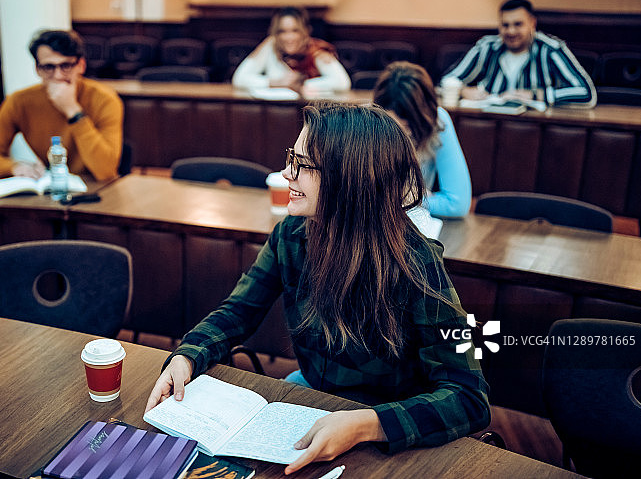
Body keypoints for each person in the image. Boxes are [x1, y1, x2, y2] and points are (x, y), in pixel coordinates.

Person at [145, 102, 490, 474]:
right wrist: (187, 355)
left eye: (302, 165)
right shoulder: (290, 234)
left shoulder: (416, 262)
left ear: (349, 179)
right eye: (291, 158)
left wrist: (367, 424)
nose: (285, 174)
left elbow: (469, 396)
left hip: (387, 422)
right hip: (313, 396)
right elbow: (238, 311)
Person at [0, 29, 123, 181]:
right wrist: (15, 167)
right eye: (49, 67)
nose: (58, 76)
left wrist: (73, 110)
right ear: (37, 69)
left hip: (98, 190)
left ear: (81, 65)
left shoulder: (105, 99)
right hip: (53, 188)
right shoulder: (20, 101)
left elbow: (106, 171)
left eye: (66, 66)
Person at [442, 0, 596, 108]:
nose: (511, 31)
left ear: (532, 23)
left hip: (534, 129)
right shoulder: (487, 46)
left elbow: (586, 93)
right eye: (505, 25)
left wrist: (535, 95)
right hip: (490, 124)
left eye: (518, 24)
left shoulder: (550, 49)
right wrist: (462, 91)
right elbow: (446, 81)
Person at [373, 61, 472, 218]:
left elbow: (457, 204)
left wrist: (411, 200)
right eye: (394, 127)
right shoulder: (366, 123)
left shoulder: (437, 121)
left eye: (409, 128)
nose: (402, 137)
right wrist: (413, 199)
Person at [232, 6, 351, 94]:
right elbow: (239, 79)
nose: (289, 38)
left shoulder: (315, 50)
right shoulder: (271, 45)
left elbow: (342, 83)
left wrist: (301, 84)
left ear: (305, 31)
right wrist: (275, 83)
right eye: (282, 31)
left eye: (295, 31)